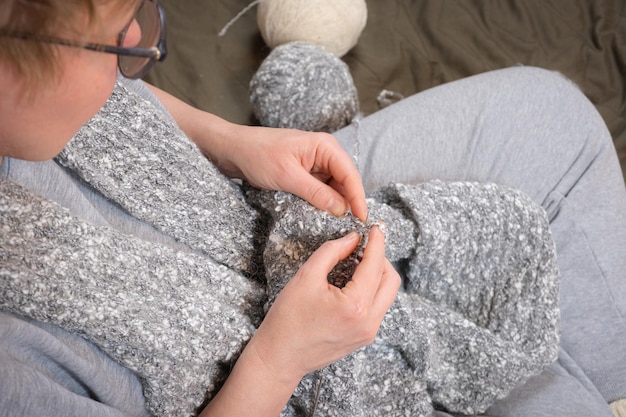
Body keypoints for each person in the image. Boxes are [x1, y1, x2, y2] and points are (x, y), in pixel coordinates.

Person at [0, 1, 623, 417]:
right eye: (110, 40)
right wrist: (283, 358)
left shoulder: (35, 99)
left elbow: (113, 103)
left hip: (251, 216)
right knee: (547, 388)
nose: (133, 41)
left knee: (550, 118)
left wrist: (232, 143)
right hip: (273, 388)